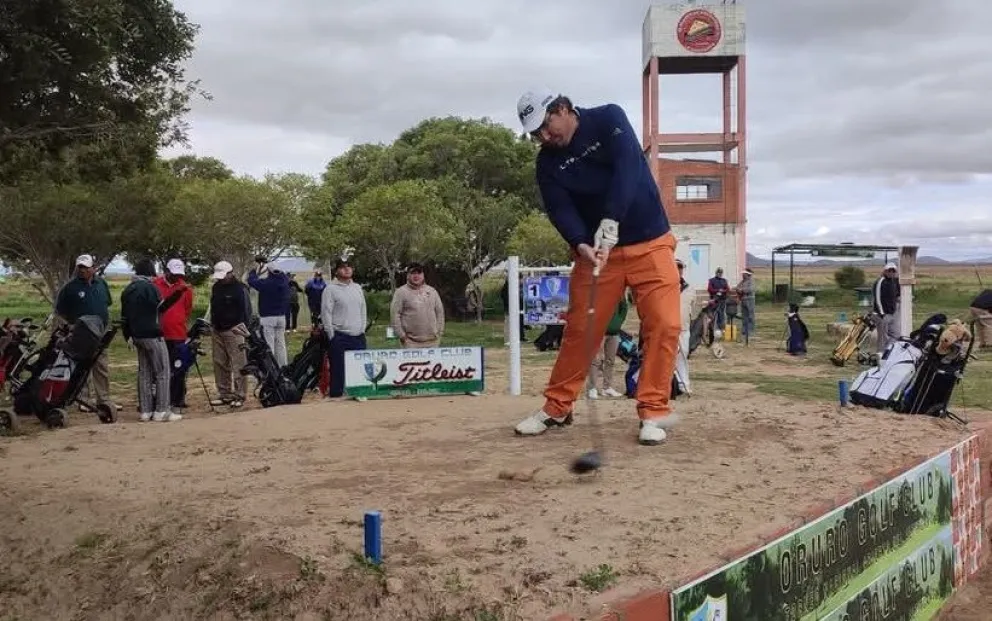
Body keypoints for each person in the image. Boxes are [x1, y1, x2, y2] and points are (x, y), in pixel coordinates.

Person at [511, 89, 681, 446]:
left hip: (650, 241)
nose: (543, 137)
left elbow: (629, 167)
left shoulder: (608, 119)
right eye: (534, 134)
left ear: (562, 108)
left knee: (664, 324)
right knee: (580, 331)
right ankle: (557, 407)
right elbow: (560, 209)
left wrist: (611, 219)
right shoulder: (547, 163)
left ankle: (652, 410)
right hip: (598, 255)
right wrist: (580, 243)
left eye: (545, 126)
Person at [121, 258, 179, 422]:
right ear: (150, 273)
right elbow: (160, 308)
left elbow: (124, 316)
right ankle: (162, 410)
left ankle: (145, 411)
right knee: (162, 372)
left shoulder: (128, 290)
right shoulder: (150, 288)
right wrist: (174, 297)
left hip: (136, 336)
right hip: (153, 335)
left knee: (144, 373)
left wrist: (128, 336)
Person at [54, 254, 113, 412]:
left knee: (101, 366)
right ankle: (84, 399)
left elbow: (106, 303)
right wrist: (71, 326)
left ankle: (104, 399)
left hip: (99, 332)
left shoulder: (101, 284)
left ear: (93, 268)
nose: (82, 270)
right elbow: (60, 311)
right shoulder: (70, 288)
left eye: (85, 267)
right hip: (81, 334)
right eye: (79, 267)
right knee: (82, 366)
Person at [321, 258, 368, 398]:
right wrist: (331, 335)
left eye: (349, 267)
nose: (347, 269)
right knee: (338, 370)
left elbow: (363, 309)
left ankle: (358, 394)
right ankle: (336, 396)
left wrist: (362, 328)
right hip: (340, 335)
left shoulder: (357, 287)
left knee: (360, 369)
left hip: (358, 335)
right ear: (336, 271)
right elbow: (326, 313)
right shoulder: (330, 289)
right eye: (343, 267)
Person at [209, 260, 252, 408]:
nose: (221, 279)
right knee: (220, 362)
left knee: (238, 363)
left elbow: (247, 311)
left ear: (230, 273)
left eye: (224, 276)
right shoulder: (216, 287)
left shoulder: (240, 288)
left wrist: (244, 330)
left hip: (235, 330)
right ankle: (225, 394)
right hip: (217, 330)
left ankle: (240, 394)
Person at [153, 258, 194, 411]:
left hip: (178, 334)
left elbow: (188, 309)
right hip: (159, 334)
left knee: (179, 367)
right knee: (160, 369)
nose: (177, 277)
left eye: (179, 274)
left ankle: (177, 399)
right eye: (174, 274)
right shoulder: (155, 284)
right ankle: (159, 399)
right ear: (167, 271)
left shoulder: (185, 288)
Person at [390, 262, 445, 348]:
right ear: (408, 275)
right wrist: (402, 336)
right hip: (410, 343)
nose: (416, 276)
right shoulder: (400, 292)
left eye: (419, 273)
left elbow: (440, 312)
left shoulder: (432, 291)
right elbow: (395, 315)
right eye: (413, 273)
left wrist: (439, 332)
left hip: (433, 342)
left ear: (423, 275)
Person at [247, 261, 291, 367]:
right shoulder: (284, 281)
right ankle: (282, 366)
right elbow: (281, 274)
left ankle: (271, 368)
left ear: (269, 271)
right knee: (281, 344)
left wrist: (254, 270)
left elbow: (252, 281)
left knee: (269, 344)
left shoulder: (266, 283)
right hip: (281, 317)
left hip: (268, 317)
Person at [586, 292, 628, 399]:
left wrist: (618, 322)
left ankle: (607, 387)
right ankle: (592, 388)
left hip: (614, 333)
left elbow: (624, 308)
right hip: (599, 331)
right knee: (595, 360)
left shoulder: (619, 294)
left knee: (610, 360)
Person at [872, 262, 901, 354]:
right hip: (882, 315)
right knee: (882, 338)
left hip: (892, 314)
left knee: (896, 335)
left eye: (893, 271)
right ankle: (880, 356)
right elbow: (877, 298)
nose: (891, 272)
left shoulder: (894, 281)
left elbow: (896, 295)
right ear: (885, 271)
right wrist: (882, 314)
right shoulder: (880, 281)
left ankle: (887, 353)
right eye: (889, 270)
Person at [735, 268, 756, 339]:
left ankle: (750, 330)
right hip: (743, 300)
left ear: (747, 275)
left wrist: (741, 290)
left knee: (750, 315)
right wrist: (738, 290)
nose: (742, 275)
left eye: (744, 274)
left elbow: (750, 289)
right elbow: (737, 287)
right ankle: (744, 330)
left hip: (749, 299)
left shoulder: (751, 281)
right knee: (744, 316)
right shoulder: (742, 281)